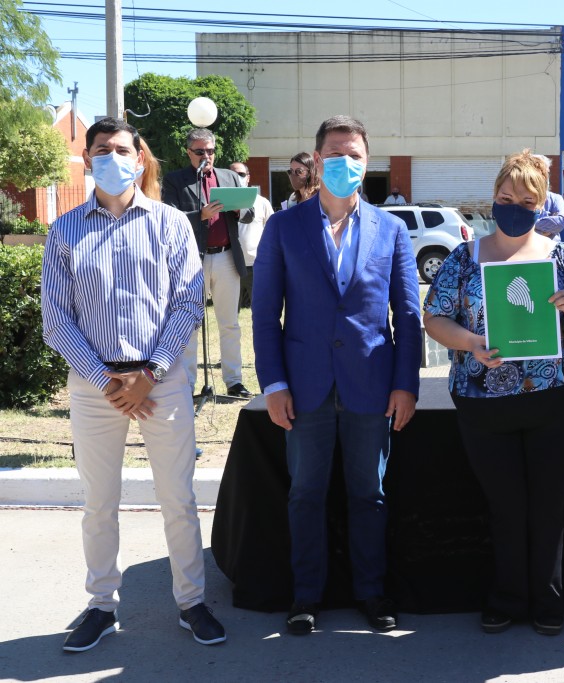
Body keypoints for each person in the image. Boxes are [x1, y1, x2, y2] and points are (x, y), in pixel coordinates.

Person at [41, 117, 225, 652]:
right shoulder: (64, 231)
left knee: (178, 499)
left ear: (140, 159)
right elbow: (57, 318)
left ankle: (191, 603)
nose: (113, 158)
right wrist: (107, 381)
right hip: (93, 385)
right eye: (102, 150)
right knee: (99, 502)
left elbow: (188, 303)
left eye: (123, 150)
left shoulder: (170, 224)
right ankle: (101, 606)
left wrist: (149, 375)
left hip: (160, 381)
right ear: (87, 158)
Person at [423, 150, 564, 636]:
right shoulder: (465, 257)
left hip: (554, 399)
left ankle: (548, 598)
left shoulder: (560, 257)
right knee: (504, 505)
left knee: (548, 504)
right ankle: (506, 596)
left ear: (541, 205)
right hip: (483, 401)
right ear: (493, 198)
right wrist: (470, 343)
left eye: (526, 202)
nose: (514, 207)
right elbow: (434, 318)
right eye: (506, 198)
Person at [252, 114, 422, 636]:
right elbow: (265, 314)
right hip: (304, 388)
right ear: (317, 160)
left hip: (371, 385)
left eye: (354, 155)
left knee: (369, 494)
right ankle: (307, 595)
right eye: (335, 154)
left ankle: (371, 592)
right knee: (305, 494)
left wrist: (406, 384)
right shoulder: (284, 227)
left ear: (367, 164)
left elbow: (407, 313)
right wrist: (274, 384)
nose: (344, 162)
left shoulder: (392, 229)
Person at [162, 128, 255, 399]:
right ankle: (188, 383)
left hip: (227, 256)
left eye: (211, 151)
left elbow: (249, 214)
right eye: (200, 151)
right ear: (189, 152)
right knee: (190, 324)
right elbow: (169, 218)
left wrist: (239, 209)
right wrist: (199, 215)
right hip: (193, 259)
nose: (207, 156)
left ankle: (234, 381)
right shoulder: (175, 180)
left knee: (230, 324)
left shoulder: (229, 177)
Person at [229, 161, 275, 308]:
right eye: (232, 174)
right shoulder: (222, 203)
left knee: (262, 309)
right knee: (230, 313)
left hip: (256, 266)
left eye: (241, 174)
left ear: (248, 177)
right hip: (229, 265)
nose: (237, 177)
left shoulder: (262, 202)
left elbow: (272, 231)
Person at [531, 154, 564, 241]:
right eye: (541, 172)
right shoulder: (520, 199)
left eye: (547, 172)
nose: (546, 176)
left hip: (551, 247)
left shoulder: (556, 198)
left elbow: (559, 223)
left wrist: (530, 225)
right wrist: (545, 228)